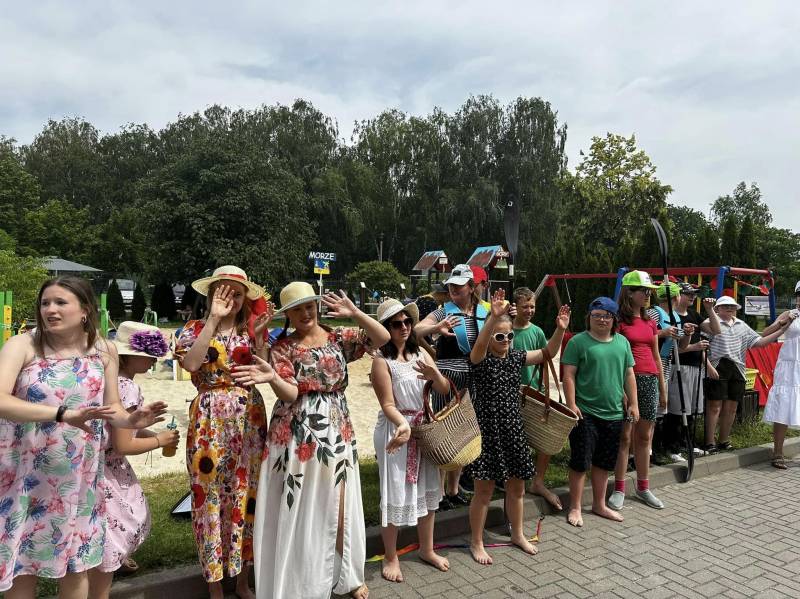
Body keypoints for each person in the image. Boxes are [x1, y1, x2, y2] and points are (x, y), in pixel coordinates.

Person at [0, 276, 167, 598]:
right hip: (25, 478)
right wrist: (62, 414)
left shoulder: (103, 350)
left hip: (78, 479)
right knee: (22, 568)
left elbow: (112, 407)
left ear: (85, 310)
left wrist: (131, 420)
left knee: (76, 566)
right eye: (45, 303)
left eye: (60, 302)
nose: (50, 310)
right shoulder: (22, 346)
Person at [233, 282, 389, 599]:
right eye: (297, 309)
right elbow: (290, 393)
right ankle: (304, 580)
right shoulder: (283, 347)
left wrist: (355, 312)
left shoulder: (337, 336)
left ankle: (347, 575)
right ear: (288, 315)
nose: (305, 313)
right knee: (304, 506)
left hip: (337, 428)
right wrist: (273, 377)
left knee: (340, 504)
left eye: (309, 306)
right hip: (296, 433)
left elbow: (383, 338)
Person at [174, 265, 272, 599]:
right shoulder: (194, 329)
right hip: (208, 421)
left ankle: (243, 582)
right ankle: (215, 586)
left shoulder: (251, 330)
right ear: (211, 294)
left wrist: (261, 338)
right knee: (209, 499)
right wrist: (213, 320)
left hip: (249, 419)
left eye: (237, 293)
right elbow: (190, 364)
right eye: (223, 291)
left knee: (247, 496)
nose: (231, 298)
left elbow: (263, 370)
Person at [467, 289, 570, 565]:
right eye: (499, 337)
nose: (505, 341)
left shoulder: (515, 358)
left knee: (518, 488)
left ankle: (518, 534)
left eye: (509, 336)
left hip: (513, 429)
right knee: (484, 491)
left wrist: (560, 329)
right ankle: (476, 541)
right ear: (489, 337)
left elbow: (548, 352)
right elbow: (479, 347)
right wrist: (493, 318)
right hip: (488, 433)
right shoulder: (480, 360)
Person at [88, 322, 180, 599]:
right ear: (127, 356)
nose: (154, 361)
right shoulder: (126, 387)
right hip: (110, 474)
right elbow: (123, 444)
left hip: (94, 467)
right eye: (149, 356)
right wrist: (159, 441)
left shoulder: (107, 381)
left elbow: (124, 429)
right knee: (116, 533)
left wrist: (151, 433)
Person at [370, 299, 450, 583]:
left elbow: (444, 389)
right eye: (396, 324)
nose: (403, 327)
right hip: (396, 430)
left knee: (428, 490)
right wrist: (403, 425)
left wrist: (435, 374)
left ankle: (427, 549)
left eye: (407, 322)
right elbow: (387, 404)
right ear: (386, 328)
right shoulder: (381, 361)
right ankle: (391, 556)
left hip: (423, 429)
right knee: (394, 492)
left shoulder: (421, 353)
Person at [415, 264, 487, 510]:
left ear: (471, 287)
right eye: (451, 286)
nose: (454, 289)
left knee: (463, 434)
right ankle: (439, 493)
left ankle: (454, 490)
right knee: (444, 433)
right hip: (447, 378)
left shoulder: (482, 311)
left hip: (473, 378)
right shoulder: (443, 311)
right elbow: (417, 329)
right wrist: (436, 328)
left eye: (459, 285)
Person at [562, 297, 638, 528]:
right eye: (597, 315)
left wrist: (634, 403)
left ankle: (599, 504)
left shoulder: (622, 343)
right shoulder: (578, 342)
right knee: (580, 461)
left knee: (604, 462)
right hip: (585, 413)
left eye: (606, 316)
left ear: (614, 319)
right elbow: (569, 375)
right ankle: (575, 506)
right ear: (589, 317)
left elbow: (629, 374)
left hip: (614, 413)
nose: (602, 320)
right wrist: (571, 403)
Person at [609, 271, 667, 510]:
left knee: (644, 437)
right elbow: (615, 357)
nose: (648, 295)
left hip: (649, 380)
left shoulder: (650, 322)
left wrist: (662, 388)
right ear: (629, 293)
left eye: (650, 291)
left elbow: (656, 356)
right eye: (644, 291)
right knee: (624, 437)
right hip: (627, 381)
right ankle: (619, 488)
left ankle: (643, 487)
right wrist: (621, 389)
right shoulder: (618, 322)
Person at [703, 295, 791, 453]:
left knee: (732, 406)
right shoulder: (709, 322)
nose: (729, 308)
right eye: (725, 306)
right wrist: (708, 367)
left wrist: (781, 330)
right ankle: (709, 442)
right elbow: (702, 346)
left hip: (738, 368)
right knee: (714, 405)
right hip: (717, 365)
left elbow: (759, 342)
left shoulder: (741, 324)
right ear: (717, 309)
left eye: (732, 306)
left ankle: (723, 440)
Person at [512, 286, 564, 510]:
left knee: (545, 437)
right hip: (513, 393)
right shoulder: (506, 330)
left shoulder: (537, 332)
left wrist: (544, 390)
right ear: (515, 307)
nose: (530, 310)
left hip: (533, 392)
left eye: (532, 306)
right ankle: (515, 479)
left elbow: (545, 359)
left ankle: (538, 481)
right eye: (525, 306)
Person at [663, 286, 718, 462]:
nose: (692, 297)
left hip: (695, 368)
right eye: (688, 294)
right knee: (677, 409)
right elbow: (672, 348)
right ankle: (672, 447)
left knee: (691, 409)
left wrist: (710, 310)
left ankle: (687, 443)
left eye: (694, 294)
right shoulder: (671, 317)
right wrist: (694, 347)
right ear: (678, 295)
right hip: (678, 366)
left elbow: (716, 330)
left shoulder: (694, 315)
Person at [761, 281, 800, 468]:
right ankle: (777, 452)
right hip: (789, 366)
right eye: (799, 295)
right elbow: (765, 333)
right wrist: (783, 324)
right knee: (783, 406)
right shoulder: (789, 314)